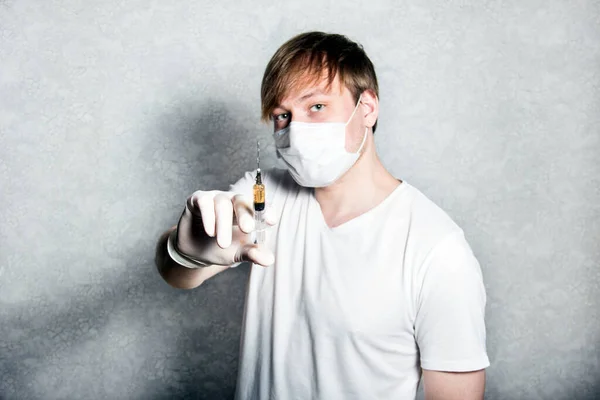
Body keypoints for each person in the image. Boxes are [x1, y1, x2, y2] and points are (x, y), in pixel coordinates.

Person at [155, 31, 490, 400]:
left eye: (316, 107)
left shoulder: (436, 249)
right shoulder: (262, 195)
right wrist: (183, 249)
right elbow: (179, 277)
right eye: (283, 116)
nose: (295, 132)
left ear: (368, 108)